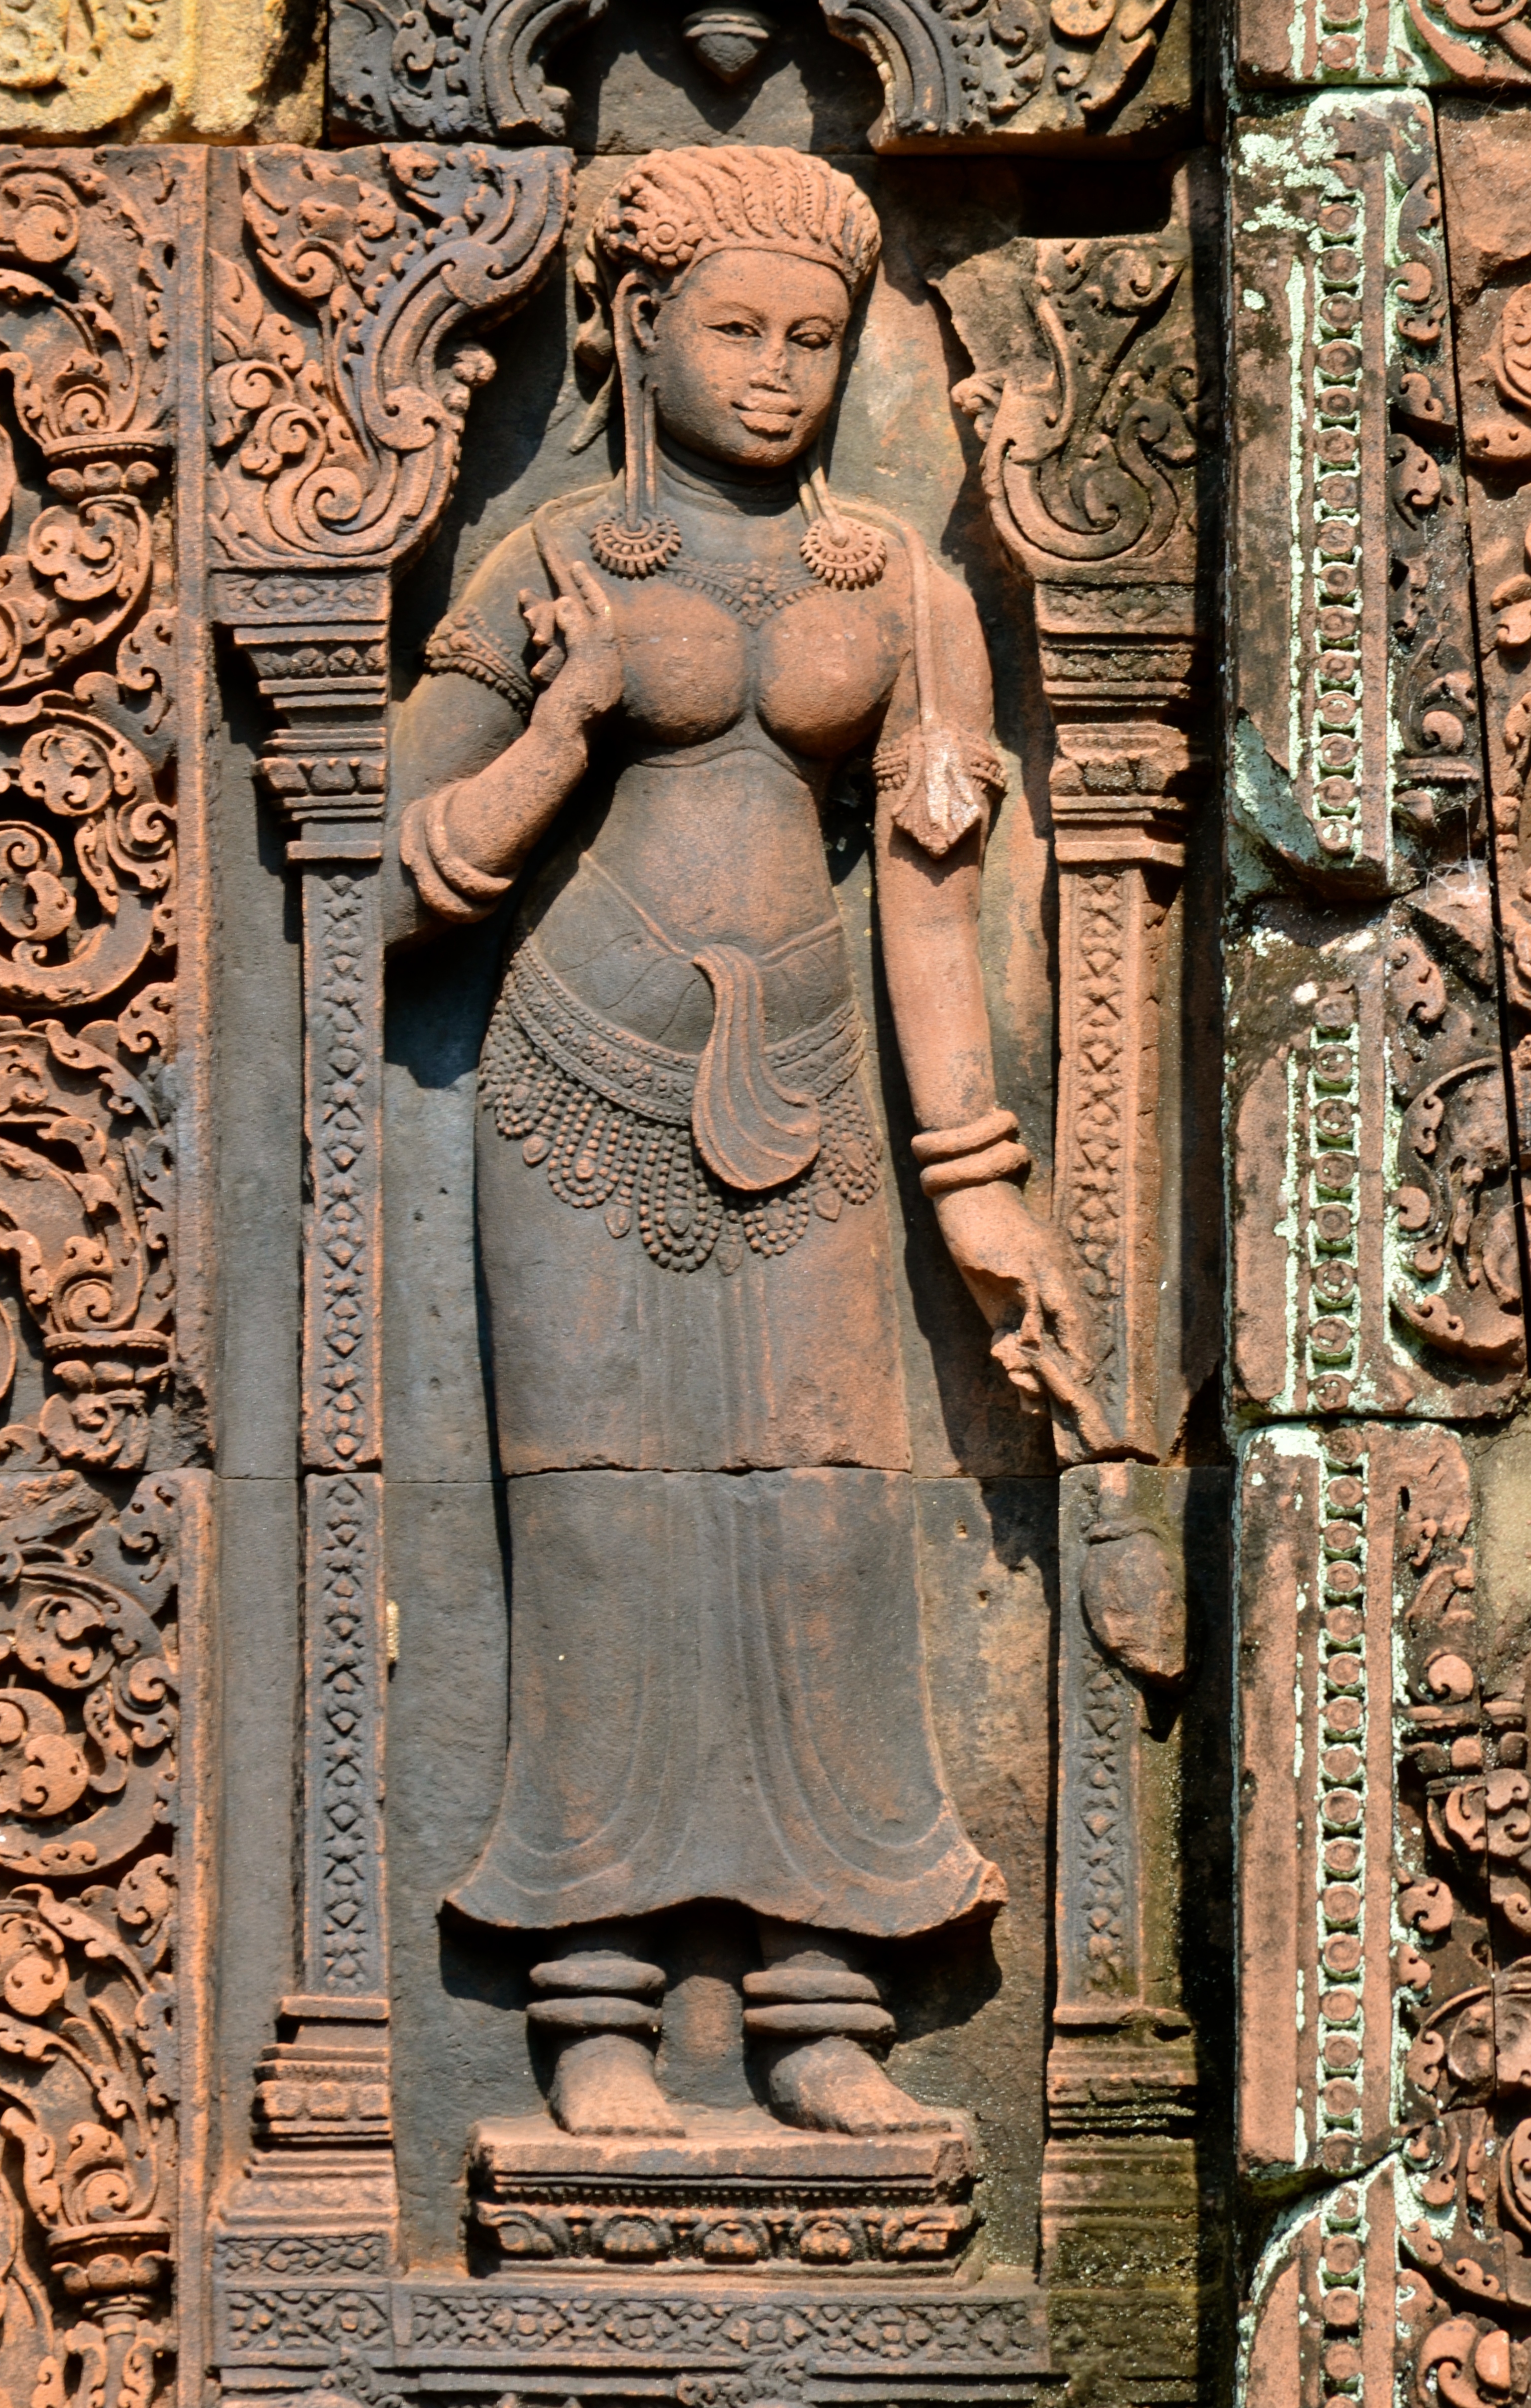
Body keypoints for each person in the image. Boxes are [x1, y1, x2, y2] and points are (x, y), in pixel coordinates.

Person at [391, 145, 1089, 2140]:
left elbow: (932, 913)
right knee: (599, 1532)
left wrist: (981, 1183)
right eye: (736, 331)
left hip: (818, 1095)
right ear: (637, 327)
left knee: (830, 1530)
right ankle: (595, 1999)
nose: (779, 373)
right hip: (576, 1093)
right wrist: (559, 731)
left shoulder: (904, 591)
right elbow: (385, 885)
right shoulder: (552, 570)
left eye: (815, 338)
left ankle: (823, 2000)